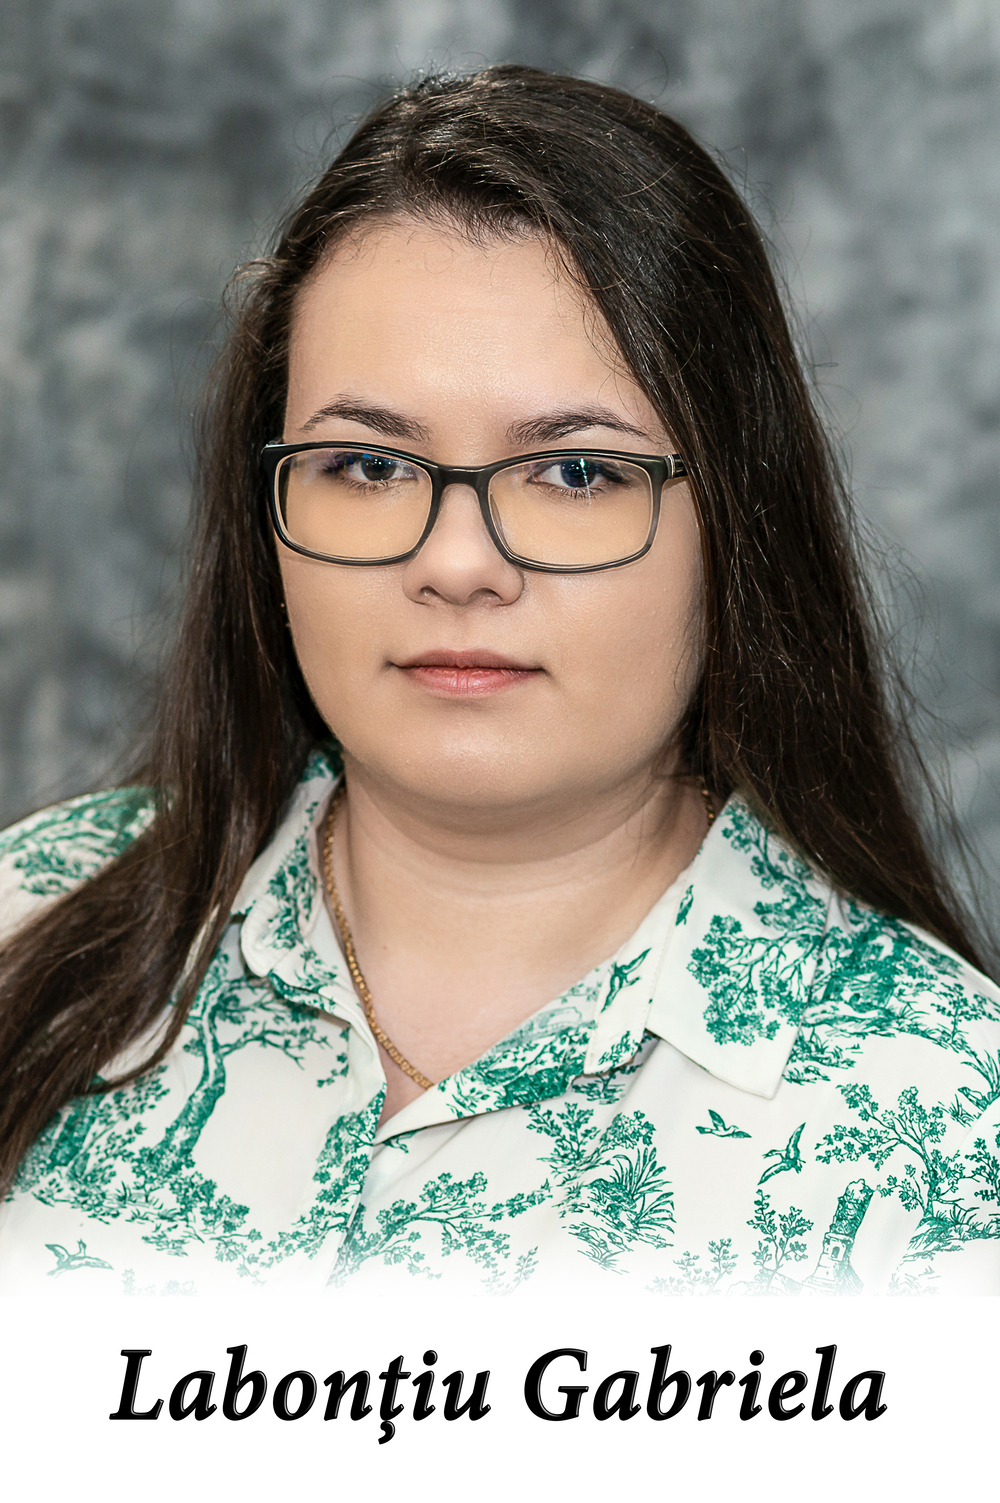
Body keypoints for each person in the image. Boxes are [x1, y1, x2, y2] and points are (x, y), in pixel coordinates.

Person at [0, 66, 997, 1295]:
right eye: (367, 466)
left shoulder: (952, 1134)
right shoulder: (23, 922)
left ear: (738, 525)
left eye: (575, 474)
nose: (455, 563)